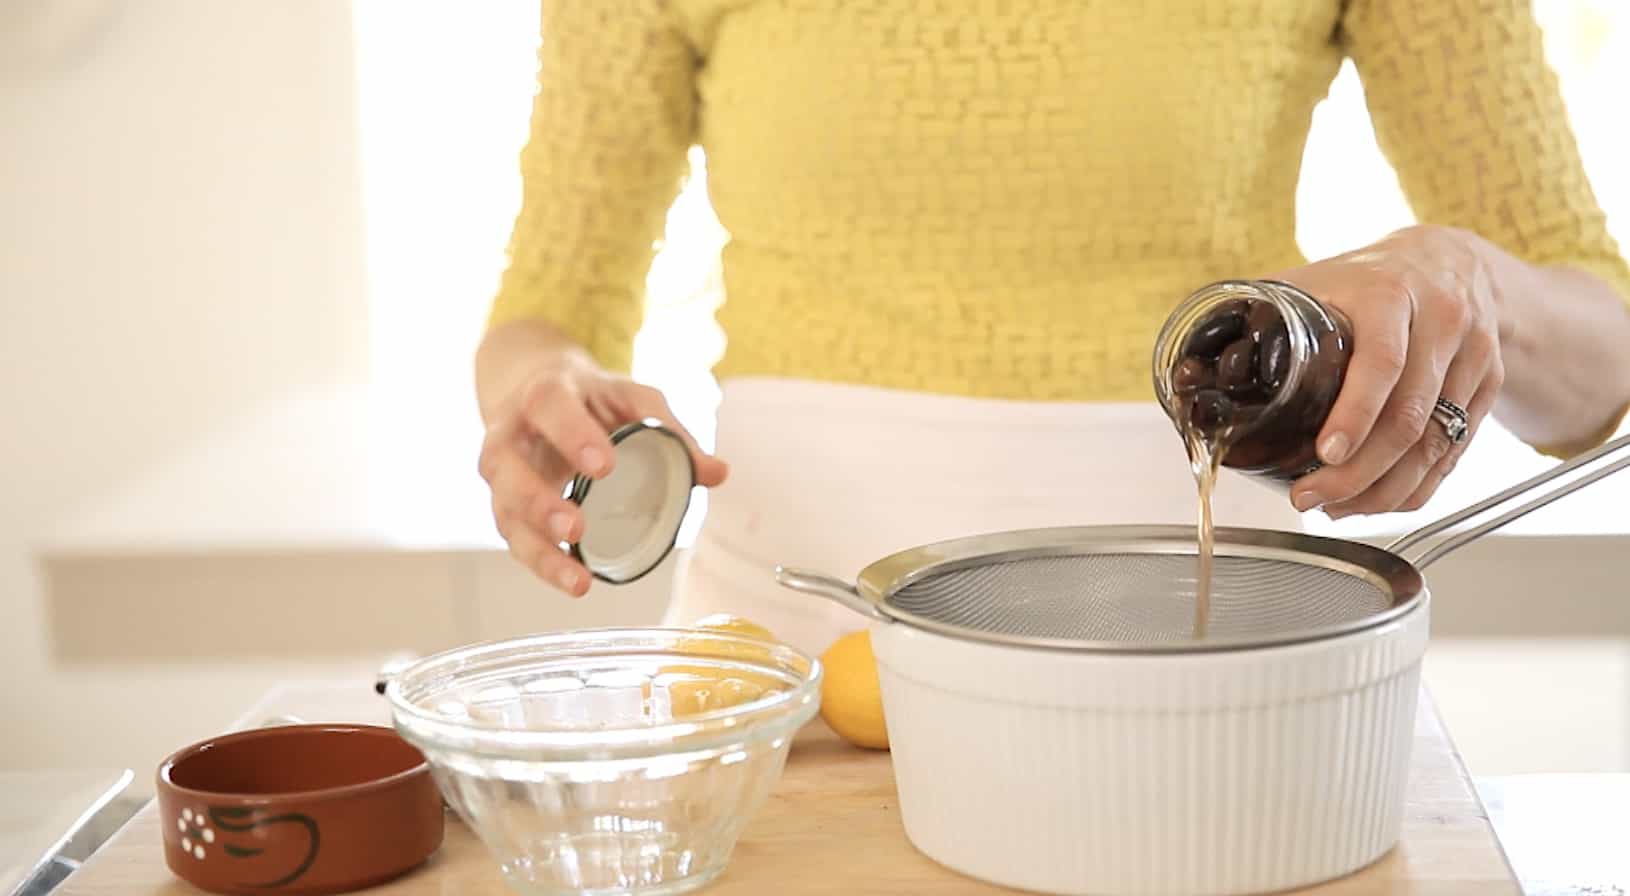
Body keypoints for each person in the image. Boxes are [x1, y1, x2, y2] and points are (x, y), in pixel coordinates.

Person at [475, 1, 1630, 654]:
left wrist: (1478, 284)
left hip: (1210, 644)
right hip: (784, 661)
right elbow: (550, 302)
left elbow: (1605, 355)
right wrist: (541, 385)